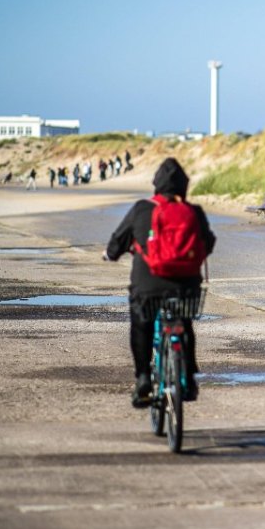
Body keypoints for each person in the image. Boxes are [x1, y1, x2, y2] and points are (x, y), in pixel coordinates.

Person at [105, 158, 216, 408]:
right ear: (184, 186)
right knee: (183, 322)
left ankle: (144, 377)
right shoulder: (193, 212)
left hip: (148, 285)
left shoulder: (143, 209)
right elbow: (208, 243)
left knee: (141, 325)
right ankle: (187, 377)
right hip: (186, 285)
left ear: (156, 184)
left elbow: (117, 242)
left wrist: (111, 254)